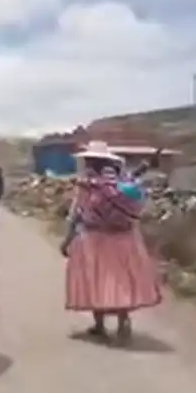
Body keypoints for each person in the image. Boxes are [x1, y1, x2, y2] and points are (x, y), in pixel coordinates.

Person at [59, 140, 162, 345]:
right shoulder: (121, 182)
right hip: (123, 238)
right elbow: (136, 196)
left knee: (96, 280)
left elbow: (76, 213)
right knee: (119, 279)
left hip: (93, 238)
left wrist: (67, 240)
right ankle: (123, 321)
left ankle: (100, 325)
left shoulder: (87, 185)